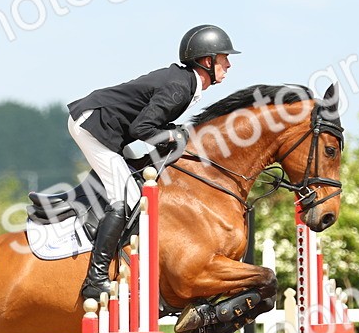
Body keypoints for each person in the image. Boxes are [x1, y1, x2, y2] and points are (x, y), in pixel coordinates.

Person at [65, 24, 239, 300]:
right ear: (207, 61)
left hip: (108, 126)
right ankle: (95, 279)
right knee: (129, 199)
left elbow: (148, 124)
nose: (228, 64)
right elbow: (141, 129)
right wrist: (174, 133)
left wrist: (173, 132)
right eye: (223, 58)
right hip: (94, 125)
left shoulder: (187, 84)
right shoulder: (180, 87)